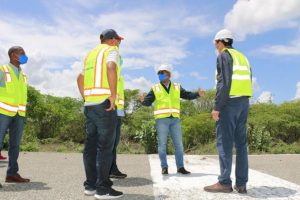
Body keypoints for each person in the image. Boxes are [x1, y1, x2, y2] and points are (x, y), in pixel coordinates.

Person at [204, 29, 252, 194]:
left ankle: (224, 182)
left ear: (220, 42)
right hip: (244, 102)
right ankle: (241, 184)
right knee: (241, 145)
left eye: (215, 44)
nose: (216, 47)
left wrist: (217, 107)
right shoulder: (243, 57)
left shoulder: (224, 55)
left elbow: (224, 83)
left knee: (224, 143)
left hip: (229, 103)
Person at [77, 29, 123, 199]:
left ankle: (90, 186)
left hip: (90, 105)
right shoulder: (111, 51)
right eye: (118, 39)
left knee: (90, 147)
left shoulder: (90, 54)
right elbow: (111, 67)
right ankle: (102, 189)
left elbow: (79, 78)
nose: (119, 43)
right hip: (104, 105)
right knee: (105, 148)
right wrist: (112, 95)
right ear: (111, 40)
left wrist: (86, 98)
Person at [140, 64, 205, 175]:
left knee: (178, 144)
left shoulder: (176, 87)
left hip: (175, 119)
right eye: (158, 73)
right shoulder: (155, 88)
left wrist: (197, 94)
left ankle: (180, 167)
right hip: (161, 120)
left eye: (162, 73)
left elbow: (187, 95)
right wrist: (142, 100)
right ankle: (164, 167)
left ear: (168, 74)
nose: (160, 75)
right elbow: (148, 102)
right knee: (162, 145)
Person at [0, 46, 30, 187]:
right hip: (3, 112)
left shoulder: (24, 75)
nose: (25, 56)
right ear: (13, 55)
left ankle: (12, 174)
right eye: (22, 53)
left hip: (19, 114)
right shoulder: (3, 70)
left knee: (15, 145)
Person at [109, 71, 127, 179]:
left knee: (114, 143)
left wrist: (120, 113)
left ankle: (112, 169)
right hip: (110, 109)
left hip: (117, 112)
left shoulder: (120, 77)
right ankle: (104, 171)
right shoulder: (108, 72)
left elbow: (120, 96)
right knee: (108, 143)